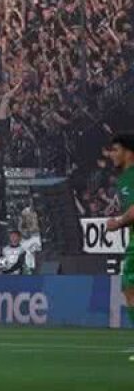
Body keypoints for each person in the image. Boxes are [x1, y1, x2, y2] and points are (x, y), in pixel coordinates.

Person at [104, 133, 134, 349]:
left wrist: (119, 222)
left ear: (128, 152)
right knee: (128, 289)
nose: (111, 154)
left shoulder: (131, 176)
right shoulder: (124, 178)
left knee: (130, 289)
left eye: (115, 150)